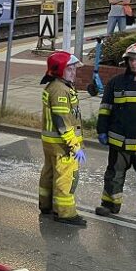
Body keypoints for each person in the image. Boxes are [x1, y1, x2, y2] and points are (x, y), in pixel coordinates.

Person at [95, 42, 136, 223]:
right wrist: (102, 130)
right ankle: (109, 205)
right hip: (119, 141)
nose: (133, 63)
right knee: (114, 173)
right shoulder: (116, 82)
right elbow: (105, 109)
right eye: (130, 60)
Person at [39, 51, 87, 227]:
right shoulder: (60, 90)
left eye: (74, 68)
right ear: (59, 70)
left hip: (50, 142)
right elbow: (63, 122)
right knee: (66, 177)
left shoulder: (54, 86)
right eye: (69, 69)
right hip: (62, 144)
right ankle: (65, 213)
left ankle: (46, 205)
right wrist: (75, 146)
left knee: (49, 173)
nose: (74, 72)